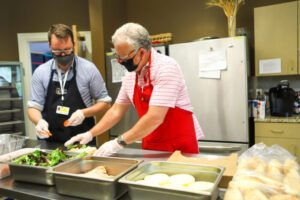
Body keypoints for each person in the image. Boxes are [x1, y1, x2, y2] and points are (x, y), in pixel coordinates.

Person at [65, 22, 204, 155]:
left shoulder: (166, 67)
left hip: (179, 147)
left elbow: (155, 117)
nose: (119, 61)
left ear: (142, 52)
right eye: (117, 56)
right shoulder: (131, 76)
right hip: (151, 143)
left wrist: (118, 143)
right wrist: (90, 134)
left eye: (123, 57)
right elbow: (116, 111)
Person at [28, 24, 111, 143]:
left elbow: (105, 103)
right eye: (57, 50)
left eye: (67, 49)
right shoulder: (41, 72)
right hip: (50, 141)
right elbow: (33, 107)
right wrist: (39, 121)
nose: (63, 54)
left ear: (74, 44)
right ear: (49, 46)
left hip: (82, 141)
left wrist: (84, 113)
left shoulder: (88, 69)